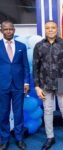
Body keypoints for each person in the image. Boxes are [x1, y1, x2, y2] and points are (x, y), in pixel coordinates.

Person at [33, 20, 63, 150]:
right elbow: (35, 67)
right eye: (48, 28)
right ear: (45, 30)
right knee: (47, 111)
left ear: (56, 29)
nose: (50, 30)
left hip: (62, 82)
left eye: (53, 27)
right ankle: (50, 137)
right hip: (44, 83)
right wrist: (36, 86)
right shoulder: (39, 46)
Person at [0, 20, 30, 150]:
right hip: (2, 85)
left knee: (18, 113)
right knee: (3, 113)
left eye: (10, 29)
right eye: (5, 29)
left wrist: (26, 82)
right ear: (1, 30)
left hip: (19, 85)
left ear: (14, 30)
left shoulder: (21, 46)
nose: (8, 31)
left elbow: (25, 66)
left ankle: (19, 139)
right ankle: (5, 140)